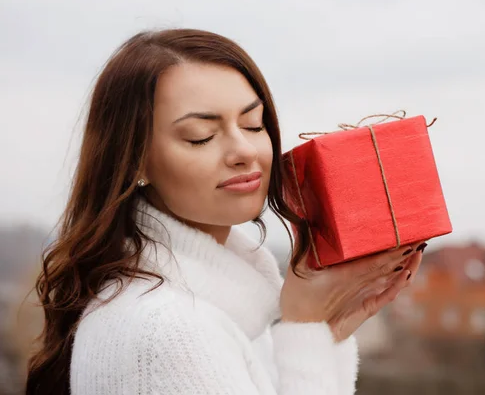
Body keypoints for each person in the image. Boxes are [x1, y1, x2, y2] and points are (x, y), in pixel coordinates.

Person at [25, 29, 426, 395]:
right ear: (134, 161)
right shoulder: (164, 330)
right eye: (202, 137)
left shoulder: (218, 308)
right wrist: (304, 326)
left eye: (253, 125)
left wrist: (326, 331)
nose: (245, 152)